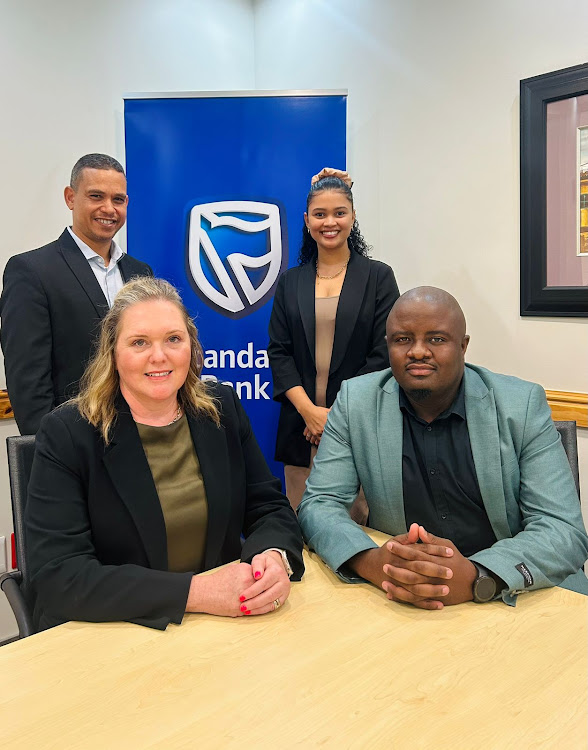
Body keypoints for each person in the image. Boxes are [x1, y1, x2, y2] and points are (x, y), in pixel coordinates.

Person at [25, 277, 304, 631]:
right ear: (112, 353)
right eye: (139, 342)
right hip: (110, 634)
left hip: (217, 629)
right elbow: (59, 577)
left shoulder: (222, 411)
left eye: (173, 339)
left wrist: (273, 557)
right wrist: (197, 592)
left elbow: (268, 506)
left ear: (191, 345)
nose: (159, 356)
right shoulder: (68, 433)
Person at [298, 287, 588, 609]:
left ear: (463, 346)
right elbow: (319, 503)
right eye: (403, 339)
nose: (418, 352)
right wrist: (373, 563)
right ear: (388, 345)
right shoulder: (356, 402)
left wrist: (479, 577)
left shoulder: (520, 406)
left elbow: (563, 530)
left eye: (436, 339)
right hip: (403, 598)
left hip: (509, 592)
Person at [268, 170, 399, 514]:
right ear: (306, 220)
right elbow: (279, 353)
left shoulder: (378, 277)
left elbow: (383, 355)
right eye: (320, 214)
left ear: (353, 217)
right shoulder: (290, 282)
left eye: (340, 213)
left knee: (355, 532)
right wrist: (310, 413)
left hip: (357, 425)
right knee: (304, 528)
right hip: (301, 427)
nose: (330, 222)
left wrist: (333, 417)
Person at [0, 153, 153, 435]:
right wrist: (51, 454)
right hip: (74, 445)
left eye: (118, 199)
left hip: (141, 438)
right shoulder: (31, 271)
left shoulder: (140, 272)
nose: (109, 208)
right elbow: (28, 384)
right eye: (96, 196)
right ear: (71, 198)